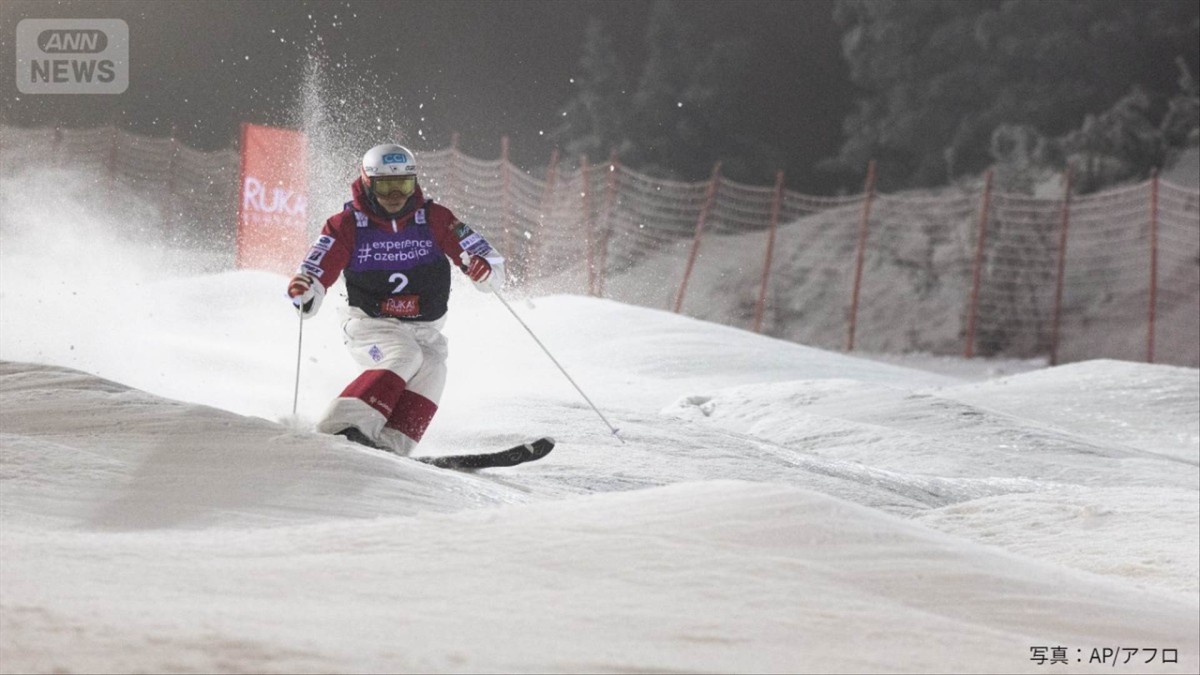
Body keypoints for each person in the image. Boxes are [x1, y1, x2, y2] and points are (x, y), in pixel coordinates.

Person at [287, 143, 505, 455]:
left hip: (425, 329)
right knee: (405, 355)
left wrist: (485, 271)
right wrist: (305, 291)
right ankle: (337, 428)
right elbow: (312, 272)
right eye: (385, 186)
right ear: (366, 182)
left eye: (402, 185)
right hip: (369, 327)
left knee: (433, 368)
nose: (395, 196)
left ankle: (393, 446)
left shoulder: (434, 219)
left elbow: (491, 263)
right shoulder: (347, 225)